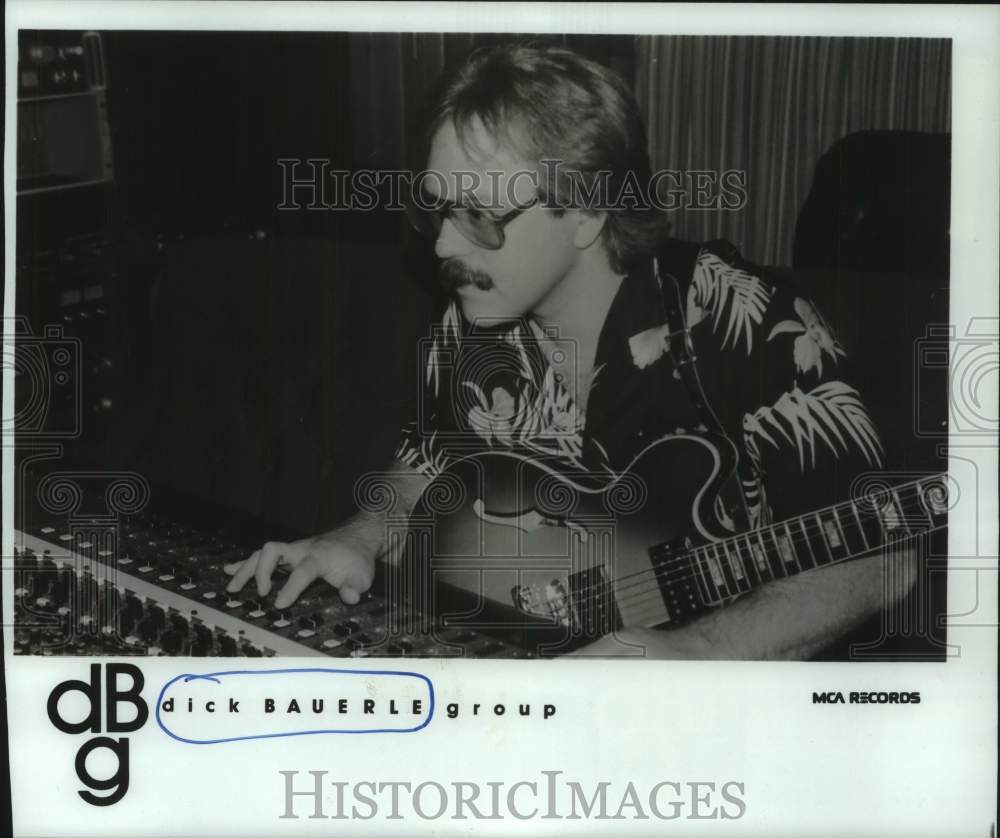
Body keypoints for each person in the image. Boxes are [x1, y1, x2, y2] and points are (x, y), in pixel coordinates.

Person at [224, 43, 915, 659]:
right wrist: (360, 536)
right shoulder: (470, 321)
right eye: (436, 207)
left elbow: (883, 562)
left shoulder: (754, 323)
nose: (442, 245)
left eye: (479, 215)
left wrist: (694, 653)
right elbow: (425, 465)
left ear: (586, 211)